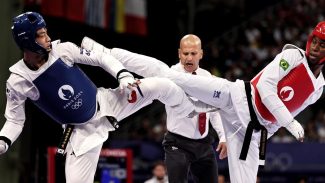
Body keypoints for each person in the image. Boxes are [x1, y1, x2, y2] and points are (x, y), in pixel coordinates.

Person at [81, 21, 325, 183]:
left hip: (249, 133)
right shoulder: (292, 55)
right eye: (314, 40)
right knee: (165, 75)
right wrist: (290, 122)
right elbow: (266, 89)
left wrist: (241, 135)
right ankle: (105, 53)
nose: (315, 46)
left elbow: (278, 117)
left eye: (322, 44)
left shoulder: (318, 88)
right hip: (236, 99)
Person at [0, 12, 209, 183]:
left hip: (109, 102)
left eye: (46, 33)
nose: (47, 38)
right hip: (80, 133)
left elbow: (101, 57)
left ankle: (191, 110)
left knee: (162, 85)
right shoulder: (19, 81)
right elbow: (15, 120)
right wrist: (3, 141)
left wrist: (124, 75)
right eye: (41, 35)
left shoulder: (63, 50)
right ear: (27, 40)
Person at [162, 34, 226, 183]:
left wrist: (223, 135)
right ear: (179, 53)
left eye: (193, 53)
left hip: (204, 143)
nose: (189, 58)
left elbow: (215, 110)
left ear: (201, 54)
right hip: (177, 143)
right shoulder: (170, 76)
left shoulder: (207, 77)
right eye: (185, 53)